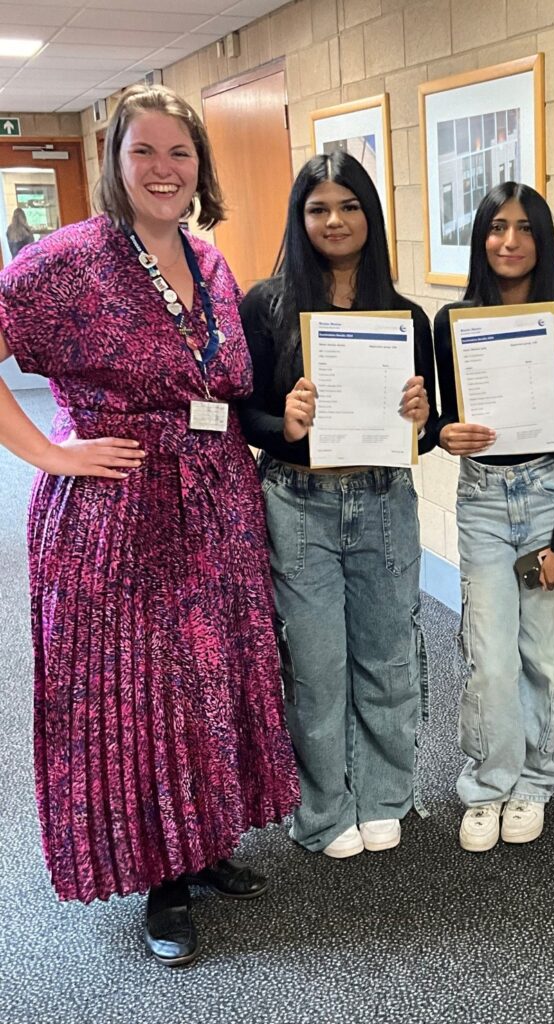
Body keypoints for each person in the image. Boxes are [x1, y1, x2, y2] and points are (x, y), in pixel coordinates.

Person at [0, 84, 299, 967]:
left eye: (180, 152)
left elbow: (224, 388)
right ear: (114, 161)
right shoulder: (66, 262)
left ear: (200, 165)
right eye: (145, 151)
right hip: (118, 513)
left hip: (215, 505)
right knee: (142, 696)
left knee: (210, 679)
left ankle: (203, 846)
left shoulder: (211, 262)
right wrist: (51, 455)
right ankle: (157, 875)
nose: (164, 169)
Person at [239, 153, 436, 861]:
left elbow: (428, 433)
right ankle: (323, 808)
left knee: (386, 657)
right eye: (318, 208)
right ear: (300, 218)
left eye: (349, 206)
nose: (334, 220)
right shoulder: (266, 306)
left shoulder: (406, 315)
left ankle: (385, 795)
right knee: (315, 667)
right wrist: (285, 426)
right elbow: (243, 414)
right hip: (298, 503)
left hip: (383, 499)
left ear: (369, 215)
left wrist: (422, 419)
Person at [434, 182, 554, 851]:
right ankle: (487, 783)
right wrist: (443, 432)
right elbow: (442, 419)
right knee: (489, 657)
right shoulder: (452, 323)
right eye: (497, 227)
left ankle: (536, 779)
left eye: (525, 228)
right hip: (482, 500)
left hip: (550, 497)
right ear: (480, 238)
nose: (509, 240)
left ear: (543, 240)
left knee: (548, 658)